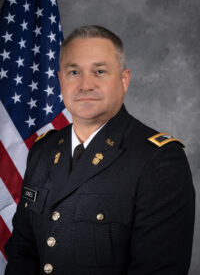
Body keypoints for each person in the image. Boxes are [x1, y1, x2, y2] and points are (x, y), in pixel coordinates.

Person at [5, 25, 195, 275]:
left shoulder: (159, 160)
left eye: (100, 71)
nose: (86, 84)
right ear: (61, 80)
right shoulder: (43, 150)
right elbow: (22, 251)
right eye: (74, 72)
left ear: (124, 80)